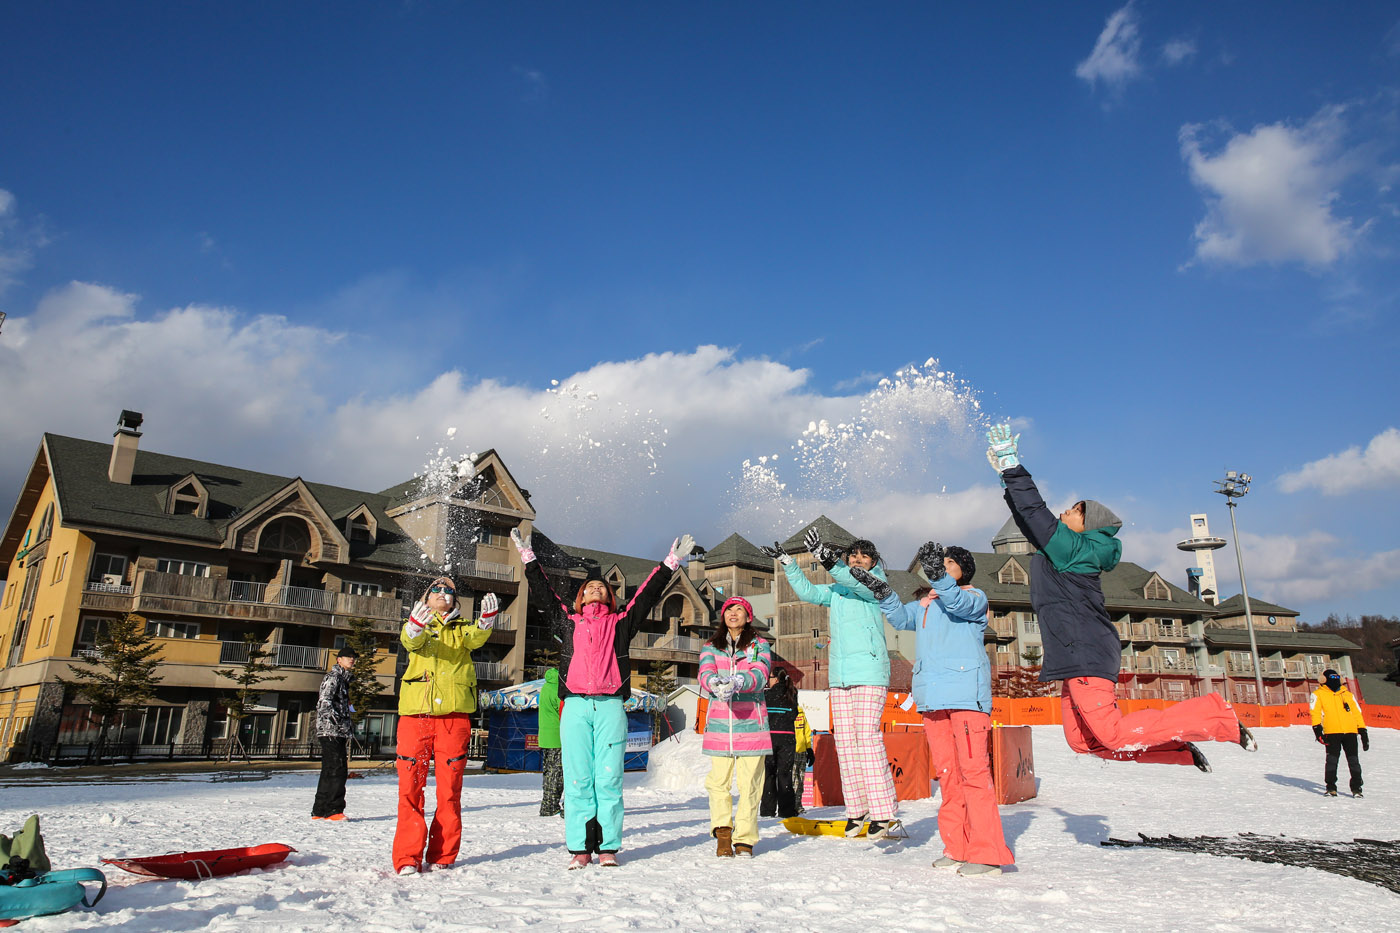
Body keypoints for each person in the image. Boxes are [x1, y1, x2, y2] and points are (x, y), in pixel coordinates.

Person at [986, 424, 1257, 770]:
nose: (1065, 512)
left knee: (1111, 735)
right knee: (1083, 742)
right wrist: (1007, 482)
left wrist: (1013, 468)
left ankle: (1216, 714)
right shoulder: (1065, 550)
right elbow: (1030, 522)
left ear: (1087, 525)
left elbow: (1037, 516)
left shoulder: (1076, 550)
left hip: (1087, 653)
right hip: (1076, 658)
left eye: (1073, 510)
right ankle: (1178, 751)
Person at [513, 528, 693, 869]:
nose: (596, 590)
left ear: (611, 598)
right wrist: (528, 558)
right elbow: (544, 594)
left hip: (611, 706)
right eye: (589, 588)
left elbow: (647, 596)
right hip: (577, 707)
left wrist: (670, 563)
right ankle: (580, 849)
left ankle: (608, 846)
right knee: (579, 778)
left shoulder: (622, 623)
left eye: (602, 588)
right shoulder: (568, 623)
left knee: (609, 778)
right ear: (579, 599)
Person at [852, 544, 1015, 877]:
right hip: (932, 698)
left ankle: (987, 853)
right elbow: (898, 617)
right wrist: (881, 589)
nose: (940, 567)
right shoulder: (926, 605)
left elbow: (957, 600)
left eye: (949, 563)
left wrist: (939, 577)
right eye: (939, 564)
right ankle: (957, 848)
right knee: (949, 776)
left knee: (974, 774)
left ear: (963, 570)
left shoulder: (974, 598)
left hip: (966, 696)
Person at [762, 528, 900, 839]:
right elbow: (808, 593)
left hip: (869, 671)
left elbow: (858, 582)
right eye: (853, 555)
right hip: (840, 675)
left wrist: (828, 558)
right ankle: (857, 809)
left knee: (866, 737)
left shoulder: (877, 585)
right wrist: (788, 563)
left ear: (874, 561)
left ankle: (883, 812)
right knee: (846, 743)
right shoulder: (837, 591)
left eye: (864, 556)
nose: (857, 560)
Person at [392, 578, 498, 874]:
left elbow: (476, 638)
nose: (442, 593)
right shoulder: (418, 623)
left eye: (448, 590)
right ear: (425, 598)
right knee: (410, 788)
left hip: (454, 718)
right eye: (436, 590)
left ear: (456, 601)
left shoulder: (461, 629)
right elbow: (409, 640)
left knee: (449, 790)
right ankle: (407, 857)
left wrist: (486, 622)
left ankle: (443, 855)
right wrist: (413, 626)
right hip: (416, 715)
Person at [700, 597, 773, 856]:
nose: (733, 613)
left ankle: (745, 838)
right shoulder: (711, 646)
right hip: (720, 725)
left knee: (750, 784)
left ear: (748, 616)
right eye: (729, 609)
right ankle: (723, 832)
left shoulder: (759, 645)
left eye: (739, 609)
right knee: (717, 783)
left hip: (752, 724)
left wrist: (738, 681)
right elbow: (704, 671)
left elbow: (761, 672)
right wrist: (715, 684)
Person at [312, 646, 357, 821]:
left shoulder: (344, 680)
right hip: (331, 731)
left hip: (337, 731)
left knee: (329, 769)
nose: (351, 660)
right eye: (347, 657)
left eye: (353, 657)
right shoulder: (333, 678)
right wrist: (336, 723)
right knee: (338, 768)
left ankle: (320, 809)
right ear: (339, 660)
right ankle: (333, 809)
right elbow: (324, 702)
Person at [1310, 669, 1368, 798]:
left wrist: (1363, 731)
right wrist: (1317, 730)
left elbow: (1357, 714)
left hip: (1350, 732)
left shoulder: (1347, 694)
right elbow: (1315, 713)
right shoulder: (1318, 694)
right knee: (1332, 760)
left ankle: (1357, 788)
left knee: (1353, 761)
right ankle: (1331, 787)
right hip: (1332, 732)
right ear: (1323, 680)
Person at [760, 665, 801, 820]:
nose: (767, 681)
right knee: (785, 775)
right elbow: (794, 714)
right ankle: (786, 810)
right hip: (788, 738)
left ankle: (767, 810)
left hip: (769, 738)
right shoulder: (792, 693)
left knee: (769, 774)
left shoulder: (767, 695)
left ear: (775, 679)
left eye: (769, 678)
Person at [538, 667, 564, 817]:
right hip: (557, 736)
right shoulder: (558, 690)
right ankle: (551, 805)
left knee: (548, 772)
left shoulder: (545, 687)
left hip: (545, 736)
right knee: (557, 773)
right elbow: (563, 712)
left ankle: (547, 802)